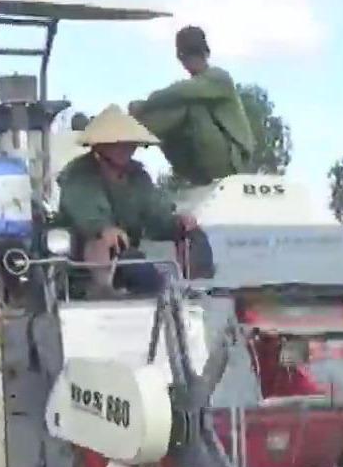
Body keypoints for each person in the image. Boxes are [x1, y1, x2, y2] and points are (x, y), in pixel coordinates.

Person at [57, 105, 198, 296]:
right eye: (118, 143)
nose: (126, 148)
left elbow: (155, 213)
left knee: (187, 237)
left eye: (129, 143)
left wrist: (177, 222)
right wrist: (103, 228)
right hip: (80, 263)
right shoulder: (79, 174)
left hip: (126, 257)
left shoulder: (138, 176)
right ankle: (100, 293)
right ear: (100, 145)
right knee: (105, 243)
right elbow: (85, 210)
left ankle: (191, 290)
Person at [128, 25, 254, 187]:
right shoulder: (196, 86)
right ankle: (130, 133)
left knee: (191, 107)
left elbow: (180, 91)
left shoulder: (219, 78)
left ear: (206, 54)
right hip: (198, 163)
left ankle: (131, 134)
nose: (190, 62)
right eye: (186, 57)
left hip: (232, 159)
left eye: (195, 56)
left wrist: (144, 106)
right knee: (176, 115)